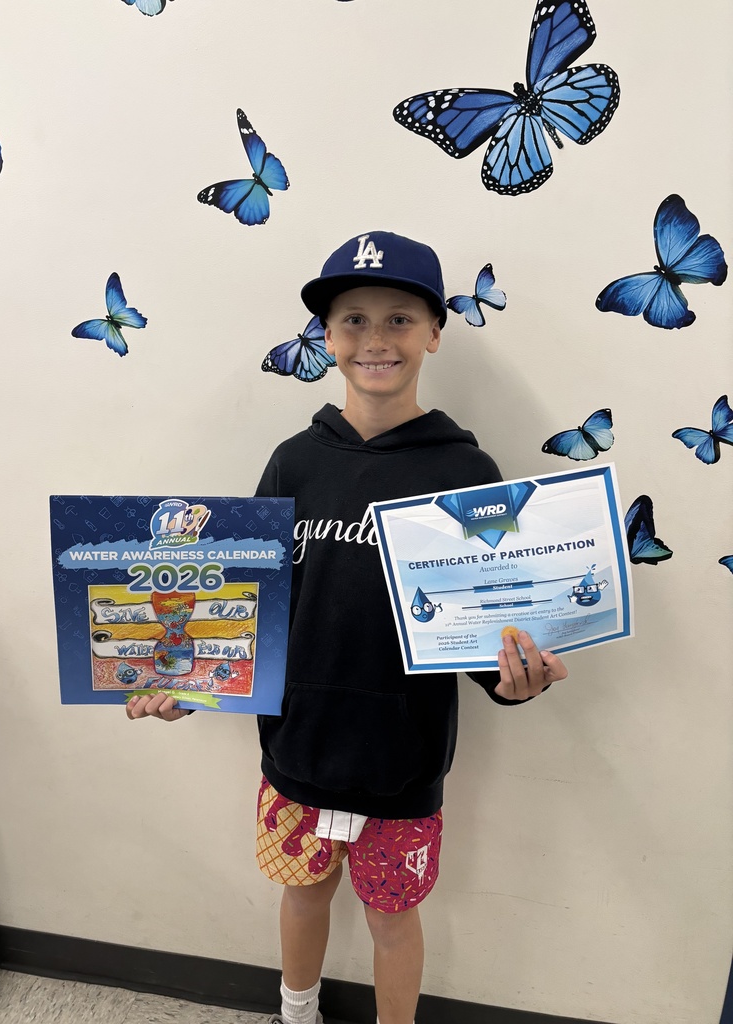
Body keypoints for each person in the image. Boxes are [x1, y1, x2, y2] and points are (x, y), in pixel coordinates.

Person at [127, 231, 569, 1024]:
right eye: (354, 320)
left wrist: (514, 681)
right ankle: (298, 1014)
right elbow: (246, 610)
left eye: (399, 319)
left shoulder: (466, 476)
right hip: (295, 752)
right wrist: (188, 684)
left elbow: (486, 630)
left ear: (434, 332)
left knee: (394, 919)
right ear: (326, 337)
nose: (375, 340)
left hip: (402, 766)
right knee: (302, 897)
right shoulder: (292, 462)